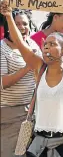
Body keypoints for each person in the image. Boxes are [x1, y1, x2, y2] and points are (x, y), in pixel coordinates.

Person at [0, 0, 63, 157]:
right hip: (40, 145)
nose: (47, 47)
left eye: (53, 44)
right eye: (45, 45)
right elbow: (21, 44)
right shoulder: (39, 69)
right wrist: (8, 16)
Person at [1, 9, 41, 157]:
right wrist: (27, 68)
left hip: (30, 112)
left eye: (25, 23)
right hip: (9, 113)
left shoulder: (33, 45)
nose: (22, 27)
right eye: (16, 24)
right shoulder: (2, 48)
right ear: (8, 26)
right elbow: (2, 83)